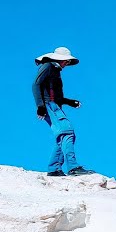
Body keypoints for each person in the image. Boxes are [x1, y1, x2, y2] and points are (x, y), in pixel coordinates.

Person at [33, 47, 94, 176]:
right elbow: (36, 84)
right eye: (66, 61)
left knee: (63, 136)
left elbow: (57, 96)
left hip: (53, 105)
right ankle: (73, 167)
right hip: (50, 105)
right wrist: (40, 106)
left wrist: (70, 102)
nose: (67, 64)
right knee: (67, 132)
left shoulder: (55, 70)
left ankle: (54, 169)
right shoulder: (48, 66)